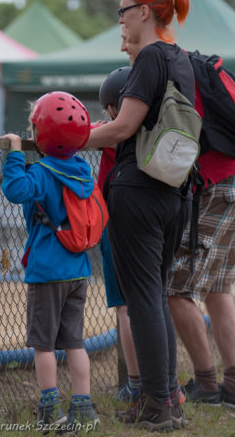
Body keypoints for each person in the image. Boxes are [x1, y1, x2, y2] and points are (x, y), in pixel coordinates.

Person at [84, 0, 194, 432]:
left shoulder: (149, 56)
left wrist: (65, 140)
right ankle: (168, 398)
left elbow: (123, 127)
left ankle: (155, 406)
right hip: (174, 193)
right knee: (157, 297)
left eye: (123, 12)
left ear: (144, 12)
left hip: (137, 190)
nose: (121, 22)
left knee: (142, 299)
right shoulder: (182, 59)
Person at [1, 91, 99, 432]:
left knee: (43, 344)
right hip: (78, 270)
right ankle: (83, 408)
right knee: (74, 341)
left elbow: (15, 191)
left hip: (47, 271)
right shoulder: (82, 169)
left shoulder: (43, 172)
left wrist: (15, 153)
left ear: (39, 135)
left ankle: (49, 408)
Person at [167, 82, 235, 408]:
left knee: (174, 288)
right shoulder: (200, 71)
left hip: (216, 186)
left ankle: (206, 384)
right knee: (218, 288)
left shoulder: (164, 67)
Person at [97, 65, 141, 403]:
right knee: (153, 301)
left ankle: (136, 383)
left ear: (114, 107)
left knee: (126, 307)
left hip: (118, 219)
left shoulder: (112, 131)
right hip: (156, 217)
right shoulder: (156, 126)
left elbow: (84, 130)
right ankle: (162, 380)